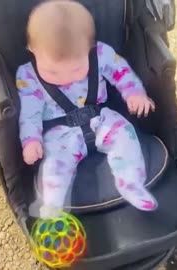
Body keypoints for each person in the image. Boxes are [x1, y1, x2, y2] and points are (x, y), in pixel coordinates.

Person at [16, 0, 158, 218]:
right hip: (60, 132)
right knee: (54, 165)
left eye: (76, 69)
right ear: (31, 50)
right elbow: (30, 113)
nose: (65, 78)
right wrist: (31, 140)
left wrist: (134, 94)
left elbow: (122, 72)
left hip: (102, 118)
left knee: (126, 136)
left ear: (90, 48)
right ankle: (53, 206)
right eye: (53, 73)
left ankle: (131, 184)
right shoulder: (28, 76)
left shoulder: (101, 54)